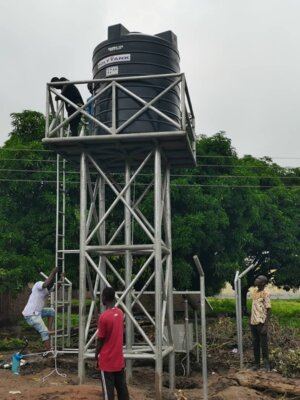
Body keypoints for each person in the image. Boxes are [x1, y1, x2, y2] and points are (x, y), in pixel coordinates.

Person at [95, 286, 129, 400]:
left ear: (104, 298)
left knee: (108, 393)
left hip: (107, 361)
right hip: (118, 360)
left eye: (102, 297)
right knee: (122, 389)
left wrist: (96, 355)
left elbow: (100, 340)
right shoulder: (120, 313)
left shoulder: (103, 317)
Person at [22, 267, 63, 352]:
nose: (51, 286)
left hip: (38, 312)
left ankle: (49, 330)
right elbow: (46, 283)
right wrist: (53, 272)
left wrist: (61, 278)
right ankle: (49, 352)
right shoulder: (39, 284)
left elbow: (56, 287)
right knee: (44, 333)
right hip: (31, 314)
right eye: (50, 283)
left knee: (51, 311)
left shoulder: (47, 289)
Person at [250, 275, 272, 371]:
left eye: (259, 279)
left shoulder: (266, 293)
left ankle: (266, 366)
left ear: (263, 283)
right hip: (253, 323)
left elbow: (269, 309)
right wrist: (250, 320)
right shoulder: (254, 291)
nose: (256, 279)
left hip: (261, 323)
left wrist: (265, 326)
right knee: (255, 344)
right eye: (256, 278)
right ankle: (257, 364)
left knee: (264, 345)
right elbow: (254, 307)